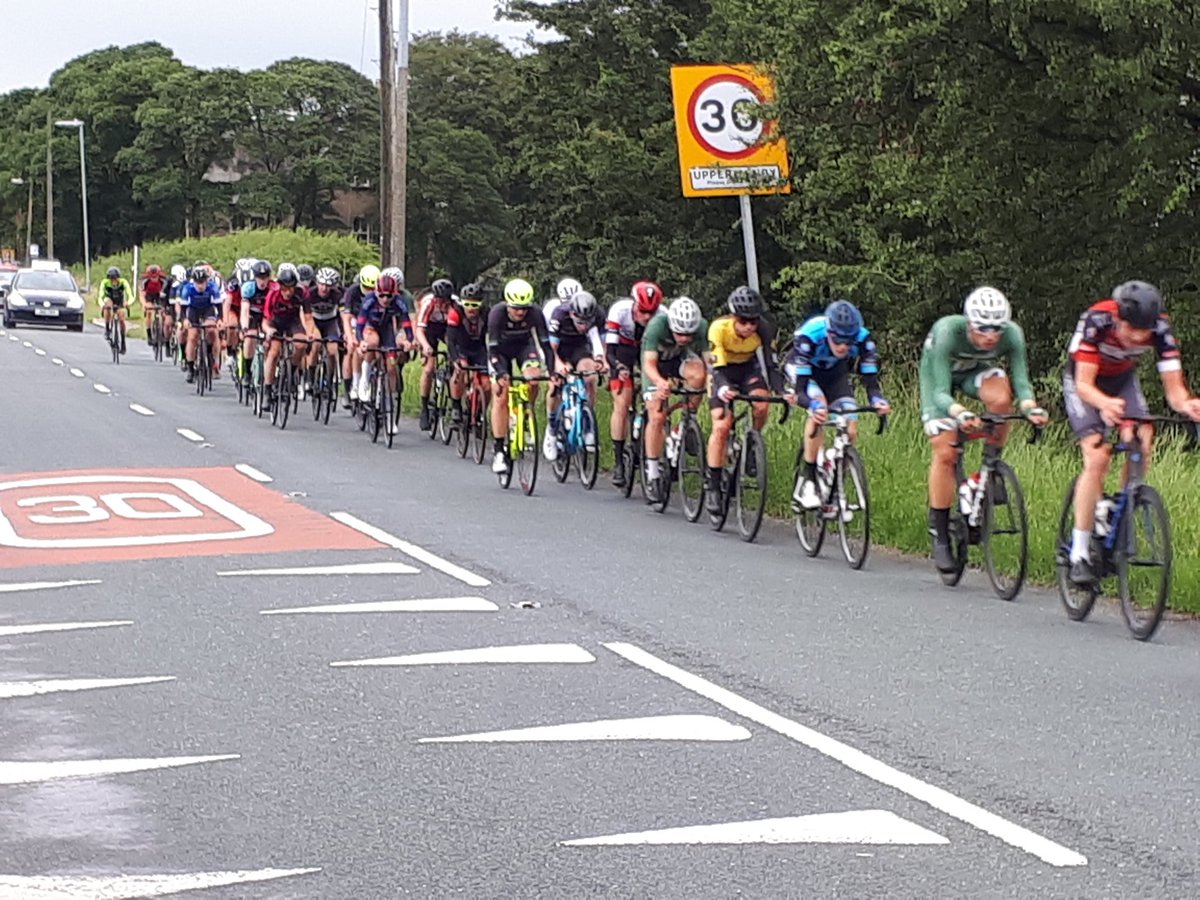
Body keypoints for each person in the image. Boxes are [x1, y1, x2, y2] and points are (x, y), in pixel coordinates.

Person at [1062, 280, 1200, 583]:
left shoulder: (1160, 329)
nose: (1138, 337)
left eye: (1144, 332)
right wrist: (1104, 405)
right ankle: (1080, 553)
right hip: (1084, 382)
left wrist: (1188, 405)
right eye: (1132, 330)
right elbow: (1084, 385)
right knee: (1097, 459)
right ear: (1118, 319)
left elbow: (1174, 391)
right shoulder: (1097, 320)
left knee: (1142, 437)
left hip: (1122, 378)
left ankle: (1123, 506)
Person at [919, 286, 1049, 571]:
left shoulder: (1012, 334)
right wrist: (960, 413)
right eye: (982, 328)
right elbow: (941, 392)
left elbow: (1022, 383)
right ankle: (940, 534)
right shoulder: (947, 332)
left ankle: (989, 469)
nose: (990, 335)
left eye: (997, 329)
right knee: (946, 452)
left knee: (1003, 395)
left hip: (975, 374)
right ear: (969, 324)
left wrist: (1031, 408)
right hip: (938, 382)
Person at [785, 299, 890, 509]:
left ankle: (835, 477)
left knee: (850, 425)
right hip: (804, 372)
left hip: (835, 374)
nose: (843, 346)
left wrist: (877, 401)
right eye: (838, 341)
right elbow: (801, 392)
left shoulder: (863, 339)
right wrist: (812, 406)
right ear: (829, 332)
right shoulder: (810, 335)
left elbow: (871, 382)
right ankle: (808, 479)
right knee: (820, 406)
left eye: (848, 342)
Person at [704, 286, 782, 515]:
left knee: (762, 403)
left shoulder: (763, 329)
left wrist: (781, 390)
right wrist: (724, 387)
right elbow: (715, 369)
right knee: (721, 424)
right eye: (744, 321)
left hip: (748, 369)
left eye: (753, 321)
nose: (749, 326)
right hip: (722, 373)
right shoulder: (719, 329)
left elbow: (771, 364)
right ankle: (713, 484)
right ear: (733, 317)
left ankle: (751, 444)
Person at [640, 296, 708, 504]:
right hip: (655, 367)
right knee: (657, 416)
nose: (685, 339)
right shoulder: (656, 326)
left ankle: (686, 422)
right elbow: (648, 364)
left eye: (689, 334)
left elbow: (709, 362)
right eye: (679, 333)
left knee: (700, 375)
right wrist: (660, 383)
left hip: (678, 360)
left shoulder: (703, 326)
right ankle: (652, 474)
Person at [486, 277, 554, 474]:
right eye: (516, 308)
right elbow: (492, 350)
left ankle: (526, 411)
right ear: (508, 304)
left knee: (533, 378)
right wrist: (500, 373)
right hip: (499, 352)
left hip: (524, 347)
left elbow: (546, 346)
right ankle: (499, 450)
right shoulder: (496, 314)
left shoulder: (535, 314)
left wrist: (552, 371)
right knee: (501, 394)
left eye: (524, 308)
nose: (521, 312)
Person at [605, 281, 663, 487]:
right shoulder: (619, 311)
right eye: (642, 311)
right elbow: (609, 352)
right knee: (622, 402)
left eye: (651, 312)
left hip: (648, 350)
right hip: (623, 351)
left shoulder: (662, 315)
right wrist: (619, 367)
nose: (647, 317)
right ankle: (619, 461)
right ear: (634, 304)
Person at [544, 289, 607, 460]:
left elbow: (601, 341)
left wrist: (602, 360)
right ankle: (551, 429)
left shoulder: (599, 314)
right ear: (572, 314)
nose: (584, 326)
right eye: (580, 322)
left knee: (590, 376)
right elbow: (551, 348)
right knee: (555, 383)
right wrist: (558, 364)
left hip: (580, 347)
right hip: (559, 347)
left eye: (588, 322)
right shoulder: (560, 315)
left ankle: (587, 421)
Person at [415, 278, 458, 430]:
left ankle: (455, 403)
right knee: (428, 368)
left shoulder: (455, 305)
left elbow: (458, 334)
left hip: (448, 328)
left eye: (445, 300)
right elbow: (420, 329)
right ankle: (425, 407)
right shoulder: (428, 303)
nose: (442, 304)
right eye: (439, 300)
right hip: (429, 329)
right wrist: (425, 346)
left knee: (456, 362)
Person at [179, 265, 221, 383]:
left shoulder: (213, 287)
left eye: (203, 282)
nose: (200, 285)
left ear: (207, 280)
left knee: (212, 331)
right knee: (192, 337)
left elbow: (219, 306)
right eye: (198, 282)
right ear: (194, 281)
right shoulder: (188, 289)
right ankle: (191, 368)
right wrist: (185, 320)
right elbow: (183, 309)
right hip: (193, 311)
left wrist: (220, 320)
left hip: (208, 309)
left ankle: (212, 357)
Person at [101, 266, 134, 354]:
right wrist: (103, 304)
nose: (114, 281)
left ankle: (123, 341)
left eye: (115, 278)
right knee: (108, 306)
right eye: (111, 279)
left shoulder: (123, 282)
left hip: (120, 301)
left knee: (121, 318)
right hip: (109, 299)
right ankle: (107, 328)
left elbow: (130, 295)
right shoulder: (105, 283)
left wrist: (128, 303)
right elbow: (101, 296)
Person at [140, 264, 170, 348]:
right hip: (149, 295)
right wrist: (144, 304)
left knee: (163, 313)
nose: (154, 279)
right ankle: (149, 334)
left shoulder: (164, 280)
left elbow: (166, 293)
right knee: (149, 312)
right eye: (152, 277)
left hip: (159, 295)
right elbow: (142, 294)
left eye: (155, 277)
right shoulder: (145, 281)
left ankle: (163, 333)